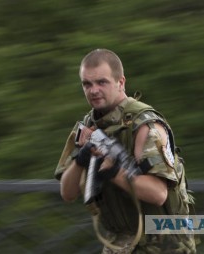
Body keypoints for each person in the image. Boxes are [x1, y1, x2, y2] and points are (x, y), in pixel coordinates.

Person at [54, 49, 196, 254]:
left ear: (120, 83)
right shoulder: (89, 126)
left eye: (102, 82)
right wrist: (80, 159)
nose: (93, 90)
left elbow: (158, 194)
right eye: (87, 84)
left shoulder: (144, 125)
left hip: (161, 246)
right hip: (118, 244)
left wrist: (114, 173)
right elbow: (67, 193)